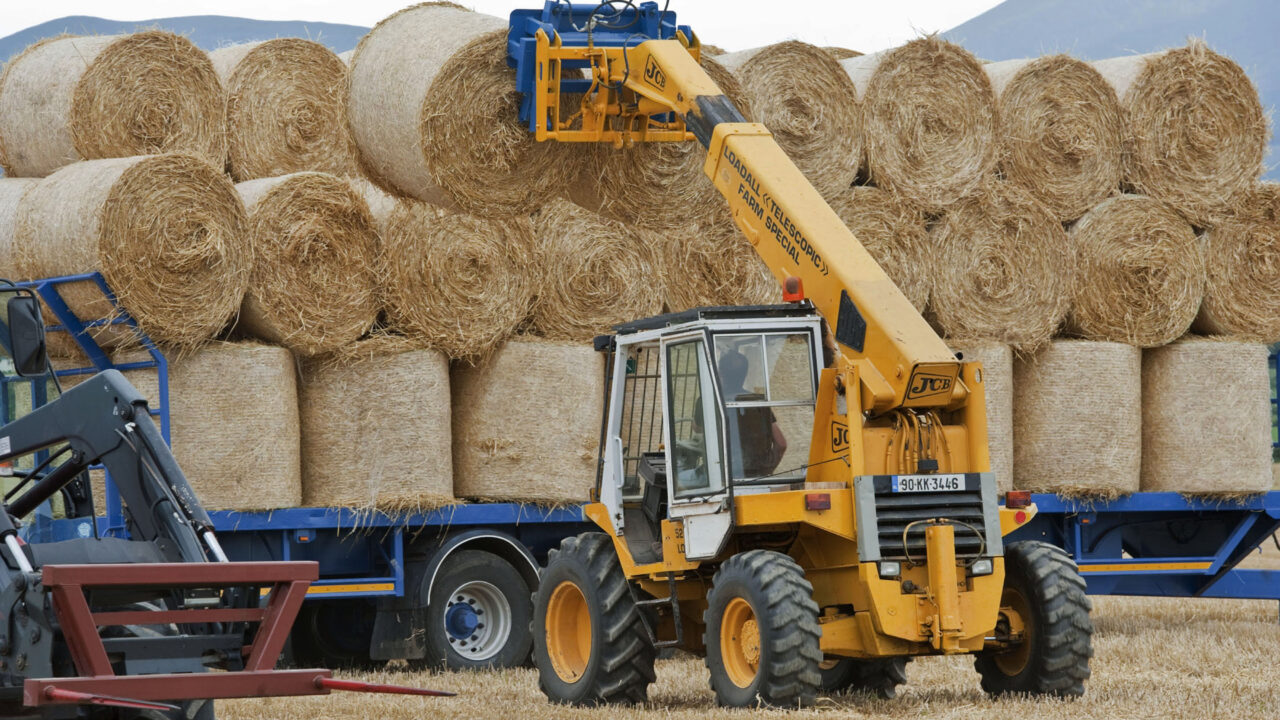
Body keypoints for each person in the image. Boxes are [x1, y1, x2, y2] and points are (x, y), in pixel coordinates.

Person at [717, 348, 787, 478]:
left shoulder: (711, 401)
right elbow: (781, 444)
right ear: (745, 374)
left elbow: (698, 430)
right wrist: (766, 471)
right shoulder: (757, 402)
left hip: (722, 476)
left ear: (720, 373)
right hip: (756, 474)